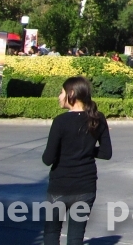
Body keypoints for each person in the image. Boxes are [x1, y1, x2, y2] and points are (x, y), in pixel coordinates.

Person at [42, 76, 112, 245]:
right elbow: (106, 152)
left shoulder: (60, 121)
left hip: (60, 185)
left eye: (61, 92)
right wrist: (87, 150)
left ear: (71, 94)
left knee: (52, 232)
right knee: (76, 236)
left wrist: (65, 151)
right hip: (86, 186)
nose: (59, 96)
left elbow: (48, 159)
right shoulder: (98, 118)